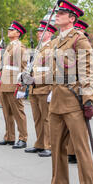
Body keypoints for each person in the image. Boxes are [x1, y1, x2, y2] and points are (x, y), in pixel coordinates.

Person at [37, 0, 93, 184]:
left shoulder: (79, 39)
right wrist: (31, 77)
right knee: (56, 148)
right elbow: (51, 70)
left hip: (73, 100)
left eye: (62, 13)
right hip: (56, 100)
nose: (57, 15)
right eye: (57, 12)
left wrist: (88, 99)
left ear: (72, 18)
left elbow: (87, 70)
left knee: (81, 150)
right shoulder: (54, 42)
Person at [25, 20, 58, 157]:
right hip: (34, 87)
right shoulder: (38, 48)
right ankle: (39, 143)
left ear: (49, 33)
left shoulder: (52, 47)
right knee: (37, 118)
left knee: (46, 118)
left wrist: (51, 88)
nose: (39, 33)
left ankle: (48, 145)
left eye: (41, 31)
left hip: (45, 87)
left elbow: (53, 69)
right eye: (38, 31)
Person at [0, 21, 29, 148]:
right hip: (5, 82)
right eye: (9, 29)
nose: (9, 31)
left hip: (14, 83)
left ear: (18, 33)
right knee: (7, 112)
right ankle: (9, 136)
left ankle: (23, 138)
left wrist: (22, 86)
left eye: (12, 30)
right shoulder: (9, 46)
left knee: (18, 112)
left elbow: (24, 68)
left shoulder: (20, 48)